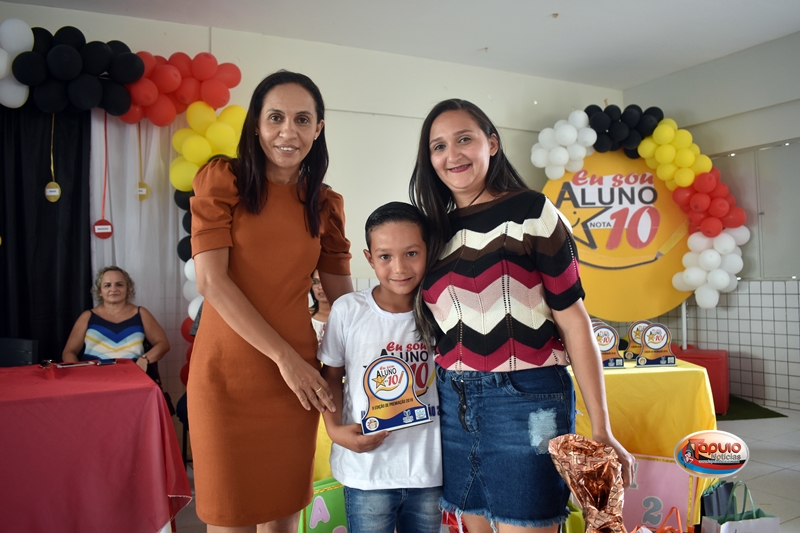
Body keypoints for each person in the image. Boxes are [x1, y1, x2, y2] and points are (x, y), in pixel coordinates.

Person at [409, 99, 634, 533]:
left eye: (464, 139)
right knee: (471, 525)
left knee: (527, 524)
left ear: (491, 144)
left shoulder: (533, 212)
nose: (452, 154)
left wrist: (601, 426)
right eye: (438, 146)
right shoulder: (435, 229)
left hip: (527, 398)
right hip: (455, 402)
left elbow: (574, 321)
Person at [189, 70, 353, 533]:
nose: (288, 131)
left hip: (296, 388)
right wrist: (286, 359)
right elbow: (212, 282)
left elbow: (345, 304)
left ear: (318, 129)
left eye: (302, 119)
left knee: (283, 522)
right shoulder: (223, 180)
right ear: (256, 125)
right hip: (227, 379)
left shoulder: (324, 205)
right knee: (230, 519)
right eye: (275, 117)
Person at [318, 202, 442, 533]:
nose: (399, 267)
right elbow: (331, 375)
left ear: (428, 251)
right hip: (367, 471)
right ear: (370, 258)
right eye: (385, 256)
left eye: (411, 253)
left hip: (429, 472)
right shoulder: (348, 310)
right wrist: (334, 430)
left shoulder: (441, 311)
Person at [62, 265, 169, 370]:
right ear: (100, 291)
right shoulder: (87, 316)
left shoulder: (141, 313)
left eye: (119, 284)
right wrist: (79, 372)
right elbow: (69, 352)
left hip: (132, 375)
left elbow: (163, 344)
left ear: (128, 289)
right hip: (93, 376)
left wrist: (145, 359)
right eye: (107, 285)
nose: (113, 289)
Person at [309, 269, 331, 344]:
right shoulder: (304, 316)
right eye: (315, 282)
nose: (320, 287)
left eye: (326, 281)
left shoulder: (347, 316)